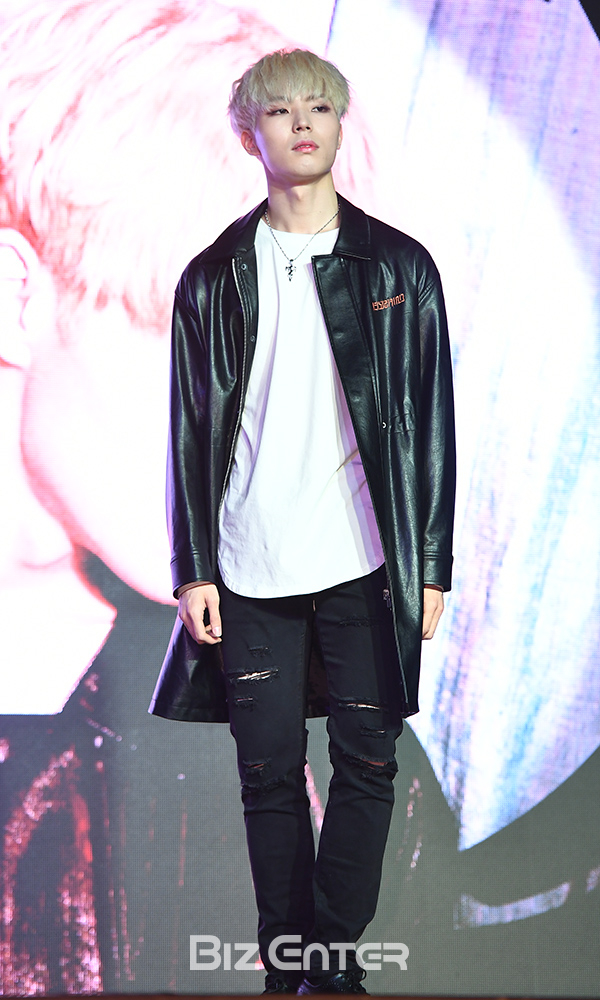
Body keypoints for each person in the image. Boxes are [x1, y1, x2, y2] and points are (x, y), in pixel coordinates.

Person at [150, 48, 456, 994]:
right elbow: (189, 428)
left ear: (340, 122)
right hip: (250, 560)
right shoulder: (213, 278)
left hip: (366, 558)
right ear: (252, 135)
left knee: (369, 762)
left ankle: (331, 958)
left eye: (319, 107)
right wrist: (193, 565)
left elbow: (431, 420)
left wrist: (431, 562)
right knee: (269, 776)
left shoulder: (399, 267)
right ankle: (290, 964)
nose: (303, 123)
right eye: (281, 111)